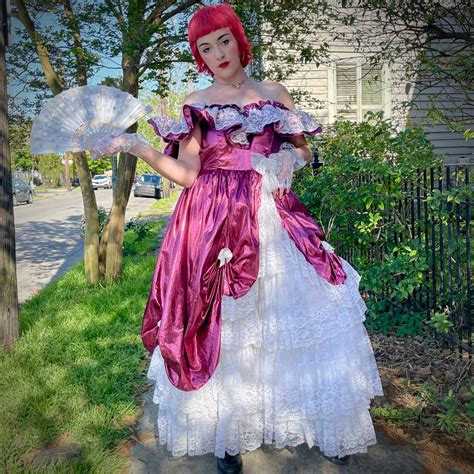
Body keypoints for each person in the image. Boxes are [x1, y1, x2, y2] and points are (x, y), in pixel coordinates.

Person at [90, 3, 384, 472]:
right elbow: (187, 174)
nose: (217, 53)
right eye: (205, 47)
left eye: (223, 40)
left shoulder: (275, 93)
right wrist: (135, 145)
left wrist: (291, 161)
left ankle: (324, 418)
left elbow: (304, 150)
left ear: (238, 38)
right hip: (217, 223)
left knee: (296, 317)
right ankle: (229, 437)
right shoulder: (199, 102)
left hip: (276, 217)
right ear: (199, 56)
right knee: (228, 326)